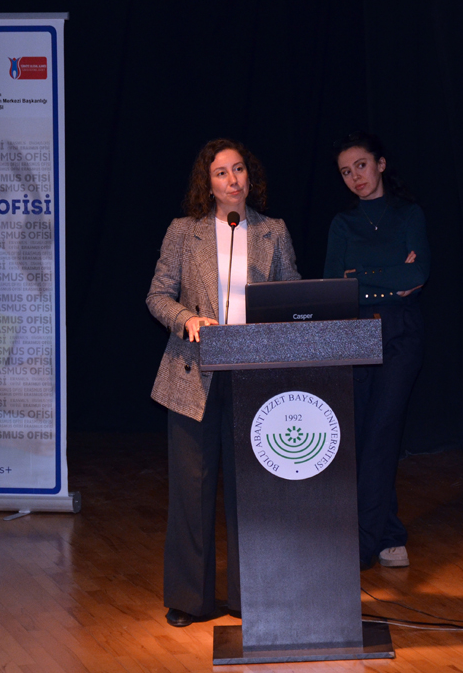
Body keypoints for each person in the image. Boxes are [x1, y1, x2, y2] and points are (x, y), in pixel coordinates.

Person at [147, 139, 300, 627]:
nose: (232, 180)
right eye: (221, 173)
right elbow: (157, 296)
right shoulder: (183, 231)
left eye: (238, 170)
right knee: (191, 492)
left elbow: (293, 297)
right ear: (208, 184)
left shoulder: (273, 231)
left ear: (249, 177)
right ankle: (188, 599)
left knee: (250, 491)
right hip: (193, 372)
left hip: (254, 375)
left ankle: (248, 595)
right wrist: (188, 319)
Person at [323, 131, 430, 569]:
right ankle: (386, 533)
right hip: (354, 332)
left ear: (380, 164)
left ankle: (364, 543)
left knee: (383, 432)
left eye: (361, 166)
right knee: (362, 434)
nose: (355, 177)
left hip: (400, 332)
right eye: (346, 172)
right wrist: (388, 276)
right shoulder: (342, 223)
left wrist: (361, 275)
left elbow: (417, 275)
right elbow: (335, 286)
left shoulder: (409, 214)